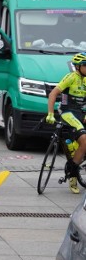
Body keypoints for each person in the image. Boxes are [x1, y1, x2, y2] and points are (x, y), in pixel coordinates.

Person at [46, 52, 86, 193]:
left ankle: (76, 160)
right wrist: (50, 113)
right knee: (84, 140)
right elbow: (53, 94)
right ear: (78, 67)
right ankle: (73, 172)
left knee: (79, 146)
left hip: (81, 113)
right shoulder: (71, 77)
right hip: (67, 112)